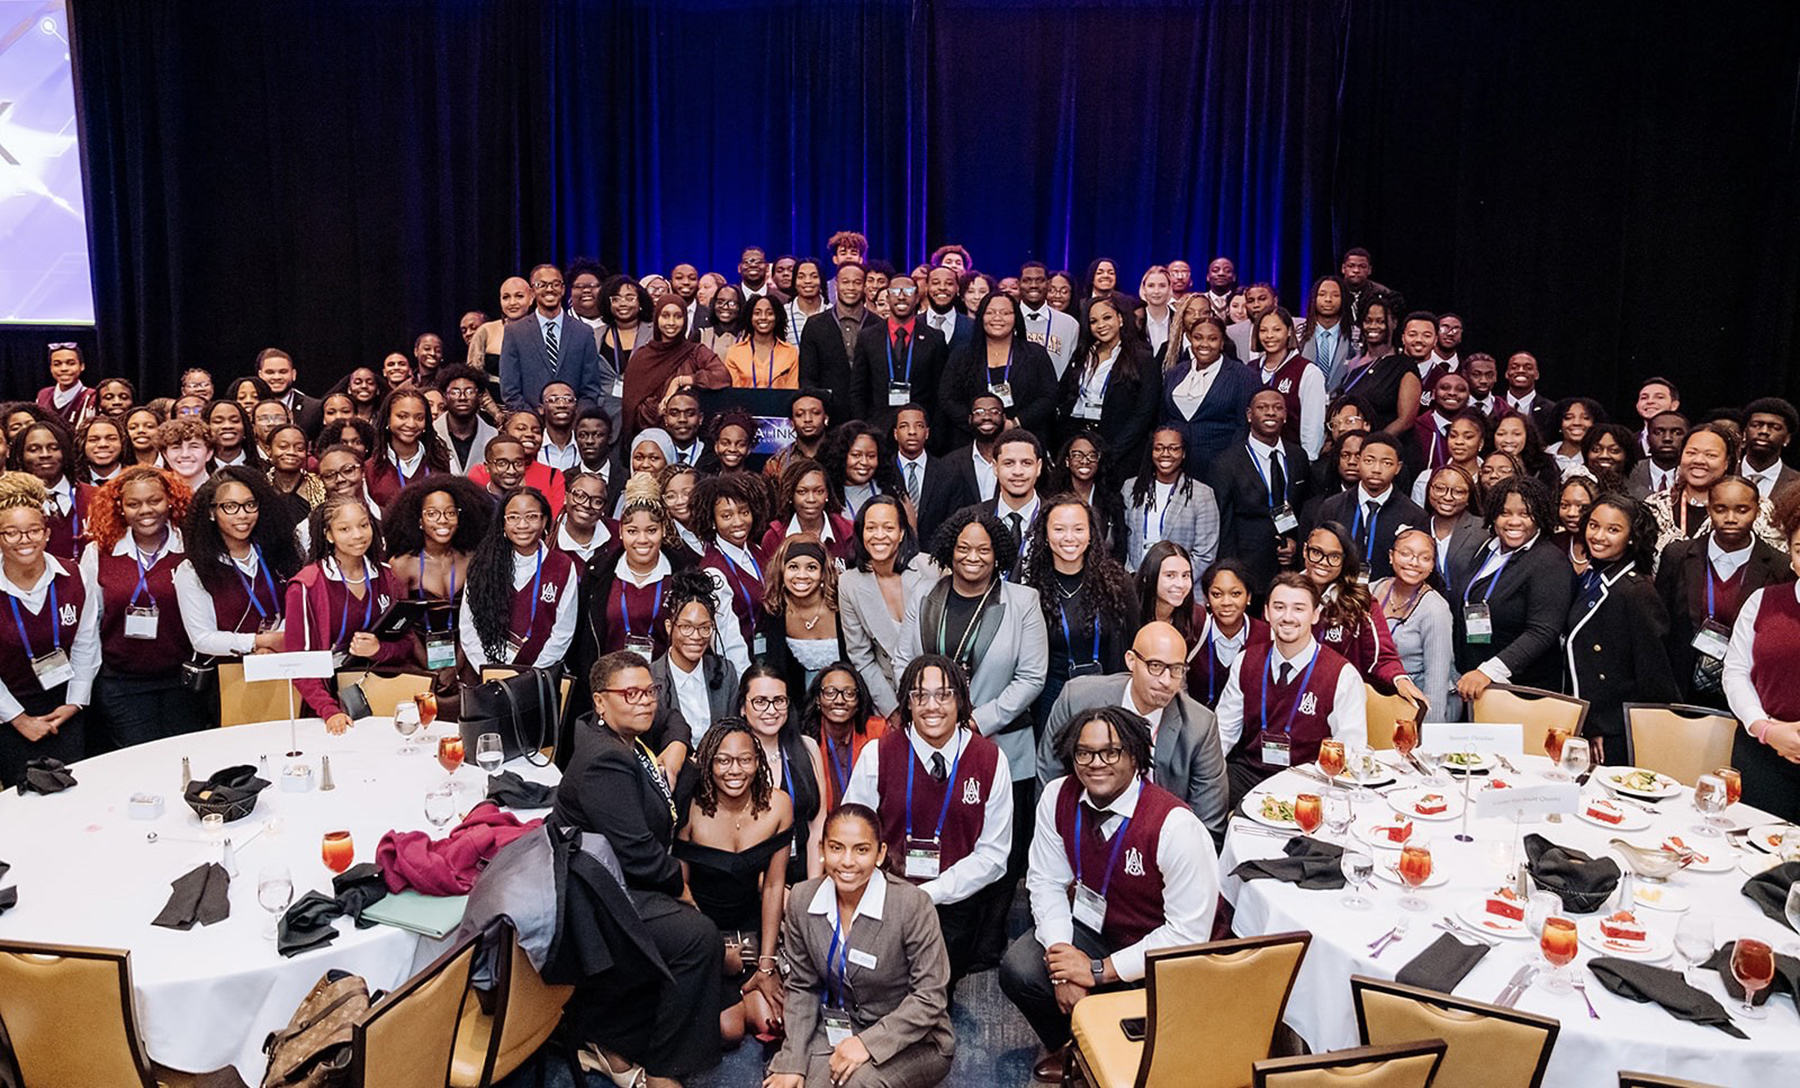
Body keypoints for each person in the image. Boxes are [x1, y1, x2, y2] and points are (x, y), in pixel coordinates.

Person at [1001, 707, 1217, 1081]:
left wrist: (1097, 972)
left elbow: (1186, 935)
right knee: (1020, 968)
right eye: (1084, 753)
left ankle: (1115, 1044)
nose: (1095, 764)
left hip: (1166, 957)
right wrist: (1063, 966)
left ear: (1135, 755)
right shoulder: (1057, 796)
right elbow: (1046, 882)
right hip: (1096, 930)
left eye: (1111, 752)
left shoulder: (1176, 827)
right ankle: (1075, 1047)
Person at [553, 651, 725, 1086]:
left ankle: (618, 1035)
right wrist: (679, 889)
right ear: (600, 702)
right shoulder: (603, 761)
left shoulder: (624, 732)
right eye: (630, 693)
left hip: (619, 877)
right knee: (698, 937)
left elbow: (676, 721)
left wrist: (675, 749)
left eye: (650, 690)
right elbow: (637, 854)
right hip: (597, 894)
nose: (645, 702)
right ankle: (664, 1069)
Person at [894, 507, 1047, 878]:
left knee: (999, 861)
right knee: (942, 848)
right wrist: (929, 717)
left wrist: (975, 722)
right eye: (963, 548)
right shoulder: (924, 597)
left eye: (984, 549)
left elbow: (1031, 677)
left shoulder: (1022, 601)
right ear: (949, 549)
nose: (973, 557)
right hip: (930, 745)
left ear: (998, 555)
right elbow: (904, 662)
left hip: (1002, 747)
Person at [841, 654, 1012, 988]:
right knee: (878, 991)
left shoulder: (990, 760)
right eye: (920, 695)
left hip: (955, 902)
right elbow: (853, 834)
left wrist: (931, 893)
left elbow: (994, 855)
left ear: (961, 701)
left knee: (934, 994)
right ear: (907, 701)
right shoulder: (877, 755)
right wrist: (885, 893)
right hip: (884, 897)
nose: (932, 706)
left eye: (944, 694)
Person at [764, 804, 955, 1088]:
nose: (847, 861)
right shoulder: (803, 900)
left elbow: (929, 999)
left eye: (861, 850)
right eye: (837, 848)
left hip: (915, 1039)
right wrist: (792, 1062)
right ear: (822, 849)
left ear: (879, 854)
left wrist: (867, 1043)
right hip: (836, 1028)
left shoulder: (912, 905)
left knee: (855, 1085)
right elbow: (802, 986)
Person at [1033, 620, 1229, 841]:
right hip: (1085, 831)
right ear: (1131, 661)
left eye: (1176, 670)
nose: (1166, 681)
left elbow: (1208, 823)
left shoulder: (1200, 726)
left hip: (1160, 843)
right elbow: (1049, 779)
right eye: (1155, 666)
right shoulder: (1077, 699)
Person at [674, 719, 793, 1044]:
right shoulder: (692, 808)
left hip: (752, 927)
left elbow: (772, 887)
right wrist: (714, 949)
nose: (734, 770)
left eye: (745, 760)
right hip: (700, 926)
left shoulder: (778, 805)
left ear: (758, 762)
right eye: (723, 760)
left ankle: (750, 987)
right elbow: (680, 891)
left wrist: (766, 965)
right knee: (730, 1032)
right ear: (709, 763)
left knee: (774, 1022)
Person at [1215, 573, 1368, 803]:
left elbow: (1349, 752)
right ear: (1266, 612)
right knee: (1204, 796)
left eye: (1298, 609)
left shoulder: (1342, 675)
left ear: (1315, 615)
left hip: (1308, 779)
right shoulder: (1246, 661)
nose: (1287, 617)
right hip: (1250, 773)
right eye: (1279, 607)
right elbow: (1223, 733)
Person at [79, 466, 203, 748]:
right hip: (122, 683)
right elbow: (91, 621)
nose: (145, 510)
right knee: (141, 760)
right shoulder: (99, 552)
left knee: (186, 757)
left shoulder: (191, 547)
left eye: (154, 500)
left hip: (182, 680)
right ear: (120, 508)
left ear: (171, 500)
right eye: (133, 504)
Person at [1655, 475, 1793, 710]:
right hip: (1680, 693)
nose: (1730, 519)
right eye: (1720, 509)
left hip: (1748, 697)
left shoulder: (1780, 567)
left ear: (1757, 511)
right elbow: (1659, 626)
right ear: (1709, 509)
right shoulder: (1677, 556)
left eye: (1741, 510)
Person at [0, 472, 98, 785]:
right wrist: (18, 719)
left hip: (65, 705)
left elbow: (86, 643)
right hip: (8, 712)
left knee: (75, 794)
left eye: (33, 531)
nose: (24, 540)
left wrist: (74, 702)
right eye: (11, 533)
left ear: (46, 533)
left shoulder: (75, 575)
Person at [1564, 494, 1677, 763]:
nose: (1599, 536)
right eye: (1594, 525)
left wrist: (1605, 727)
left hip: (1613, 732)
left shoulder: (1636, 591)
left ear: (1631, 537)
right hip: (1585, 721)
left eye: (1613, 530)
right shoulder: (1594, 576)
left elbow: (1653, 676)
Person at [283, 495, 408, 733]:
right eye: (344, 529)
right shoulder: (306, 586)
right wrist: (329, 710)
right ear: (328, 535)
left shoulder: (387, 577)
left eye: (364, 525)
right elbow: (299, 663)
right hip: (327, 700)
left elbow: (406, 644)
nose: (358, 535)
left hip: (378, 689)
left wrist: (379, 650)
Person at [1450, 476, 1574, 703]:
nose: (1513, 522)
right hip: (1474, 684)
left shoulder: (1550, 562)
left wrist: (1488, 671)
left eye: (1525, 514)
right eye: (1505, 513)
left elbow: (1542, 632)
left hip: (1522, 693)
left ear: (1539, 516)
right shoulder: (1487, 548)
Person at [1021, 496, 1135, 726]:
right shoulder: (1031, 587)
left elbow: (1132, 641)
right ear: (1045, 534)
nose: (1069, 537)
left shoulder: (1117, 583)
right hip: (1051, 698)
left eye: (1078, 529)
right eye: (1059, 529)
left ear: (1091, 533)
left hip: (1108, 693)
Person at [458, 486, 580, 674]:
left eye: (531, 516)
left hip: (539, 676)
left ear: (544, 520)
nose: (522, 525)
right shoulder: (483, 564)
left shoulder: (562, 566)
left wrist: (531, 676)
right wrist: (488, 671)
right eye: (513, 517)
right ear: (503, 523)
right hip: (486, 676)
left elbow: (563, 632)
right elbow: (468, 626)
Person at [839, 496, 938, 717]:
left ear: (902, 533)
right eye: (871, 527)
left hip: (938, 694)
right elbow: (861, 656)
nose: (879, 535)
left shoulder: (931, 568)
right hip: (890, 698)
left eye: (888, 527)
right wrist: (893, 710)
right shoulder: (849, 583)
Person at [383, 475, 488, 680]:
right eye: (432, 513)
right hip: (416, 662)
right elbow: (403, 626)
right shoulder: (403, 564)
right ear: (420, 520)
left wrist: (456, 667)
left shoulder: (472, 560)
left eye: (450, 513)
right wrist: (429, 670)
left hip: (467, 657)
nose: (442, 520)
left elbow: (477, 621)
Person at [1210, 389, 1312, 598]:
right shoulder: (1226, 463)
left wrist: (1295, 543)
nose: (1270, 413)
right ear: (1249, 415)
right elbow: (1223, 524)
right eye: (1262, 408)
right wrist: (1230, 570)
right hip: (1247, 568)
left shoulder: (1297, 456)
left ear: (1285, 415)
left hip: (1290, 567)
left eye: (1277, 408)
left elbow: (1304, 508)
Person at [738, 662, 826, 885]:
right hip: (750, 884)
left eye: (779, 701)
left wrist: (810, 891)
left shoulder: (807, 748)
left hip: (804, 877)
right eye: (760, 702)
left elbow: (817, 826)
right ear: (742, 707)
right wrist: (776, 894)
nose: (771, 710)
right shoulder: (732, 760)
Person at [940, 292, 1059, 449]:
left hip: (1025, 441)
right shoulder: (962, 355)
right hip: (970, 441)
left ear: (1016, 317)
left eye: (1005, 313)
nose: (997, 318)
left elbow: (1048, 396)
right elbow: (947, 397)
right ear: (981, 317)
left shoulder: (1035, 354)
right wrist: (978, 423)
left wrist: (1016, 423)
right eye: (990, 312)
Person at [1648, 422, 1783, 557]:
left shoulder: (1756, 507)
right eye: (1691, 453)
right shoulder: (1656, 506)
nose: (1699, 460)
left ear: (1727, 462)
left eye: (1711, 455)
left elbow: (1775, 561)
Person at [1306, 432, 1426, 582]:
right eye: (1369, 461)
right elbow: (1315, 554)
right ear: (1359, 461)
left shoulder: (1414, 515)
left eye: (1386, 463)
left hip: (1388, 598)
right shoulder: (1332, 507)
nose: (1376, 469)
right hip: (1336, 592)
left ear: (1398, 467)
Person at [1058, 296, 1158, 472]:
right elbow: (1065, 395)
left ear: (1120, 319)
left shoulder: (1142, 357)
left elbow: (1145, 412)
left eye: (1107, 318)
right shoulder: (1083, 354)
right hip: (1079, 438)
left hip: (1120, 446)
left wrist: (1114, 451)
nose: (1101, 325)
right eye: (1093, 321)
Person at [651, 569, 741, 752]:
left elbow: (734, 731)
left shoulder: (725, 672)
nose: (696, 636)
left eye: (704, 628)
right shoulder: (650, 678)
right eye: (686, 627)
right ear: (669, 627)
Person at [500, 263, 605, 415]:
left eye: (555, 284)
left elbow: (591, 387)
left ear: (563, 289)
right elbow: (510, 389)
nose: (549, 289)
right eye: (541, 284)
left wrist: (576, 416)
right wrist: (532, 418)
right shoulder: (515, 332)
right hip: (532, 424)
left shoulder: (583, 332)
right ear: (532, 291)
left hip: (573, 425)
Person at [1161, 311, 1258, 475]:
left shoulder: (1242, 375)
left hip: (1220, 464)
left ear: (1222, 343)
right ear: (1190, 339)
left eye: (1212, 339)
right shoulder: (1175, 373)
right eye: (1198, 337)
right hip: (1176, 464)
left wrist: (1230, 463)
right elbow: (1164, 417)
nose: (1204, 344)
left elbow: (1244, 427)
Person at [1373, 528, 1456, 718]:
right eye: (1405, 554)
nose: (1414, 562)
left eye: (1424, 558)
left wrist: (1428, 739)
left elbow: (1437, 682)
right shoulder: (1373, 591)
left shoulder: (1435, 609)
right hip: (1379, 698)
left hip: (1416, 706)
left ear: (1432, 565)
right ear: (1391, 556)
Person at [848, 274, 949, 428]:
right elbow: (858, 389)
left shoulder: (934, 338)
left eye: (908, 291)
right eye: (895, 291)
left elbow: (940, 392)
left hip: (921, 430)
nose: (901, 297)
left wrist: (935, 433)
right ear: (887, 298)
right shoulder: (867, 337)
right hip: (877, 429)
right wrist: (864, 428)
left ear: (917, 298)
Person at [625, 295, 730, 442]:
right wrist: (660, 410)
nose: (671, 322)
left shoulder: (695, 351)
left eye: (678, 316)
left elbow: (722, 376)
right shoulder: (642, 357)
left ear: (685, 320)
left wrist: (682, 380)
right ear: (656, 319)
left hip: (692, 437)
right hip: (653, 440)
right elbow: (632, 407)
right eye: (665, 316)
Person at [756, 536, 845, 696]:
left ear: (823, 573)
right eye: (793, 567)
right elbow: (775, 667)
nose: (801, 575)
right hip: (796, 703)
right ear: (781, 571)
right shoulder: (775, 610)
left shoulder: (841, 605)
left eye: (811, 567)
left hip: (846, 697)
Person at [696, 472, 773, 654]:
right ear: (713, 521)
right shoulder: (713, 571)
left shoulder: (757, 551)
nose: (738, 522)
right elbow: (726, 640)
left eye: (744, 512)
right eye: (726, 516)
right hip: (742, 667)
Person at [1181, 556, 1270, 710]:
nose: (1226, 602)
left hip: (1250, 730)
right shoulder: (1194, 632)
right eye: (1217, 594)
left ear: (1248, 597)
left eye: (1235, 594)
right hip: (1197, 726)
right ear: (1206, 598)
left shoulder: (1266, 636)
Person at [799, 261, 880, 424]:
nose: (851, 287)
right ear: (836, 285)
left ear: (864, 286)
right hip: (829, 416)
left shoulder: (878, 325)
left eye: (857, 282)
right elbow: (808, 378)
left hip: (870, 416)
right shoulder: (815, 325)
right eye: (845, 282)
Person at [804, 663, 886, 813]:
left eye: (849, 693)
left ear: (859, 701)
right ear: (817, 699)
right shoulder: (805, 740)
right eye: (830, 692)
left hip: (868, 824)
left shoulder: (878, 732)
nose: (840, 700)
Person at [1332, 297, 1420, 436]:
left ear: (1394, 323)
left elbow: (1405, 420)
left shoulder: (1404, 366)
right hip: (1351, 446)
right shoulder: (1354, 362)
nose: (1373, 326)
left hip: (1385, 448)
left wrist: (1373, 443)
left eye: (1381, 321)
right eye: (1368, 321)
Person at [10, 418, 91, 563]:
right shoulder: (9, 503)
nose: (45, 454)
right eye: (34, 449)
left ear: (65, 451)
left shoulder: (95, 497)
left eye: (54, 448)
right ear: (20, 456)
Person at [1251, 306, 1327, 458]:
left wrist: (1308, 459)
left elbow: (1312, 426)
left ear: (1289, 332)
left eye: (1276, 330)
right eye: (1263, 330)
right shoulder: (1250, 369)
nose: (1269, 336)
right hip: (1253, 458)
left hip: (1291, 458)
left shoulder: (1308, 372)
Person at [362, 388, 448, 515]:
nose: (411, 424)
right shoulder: (371, 468)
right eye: (402, 416)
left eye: (419, 418)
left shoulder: (440, 463)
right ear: (388, 419)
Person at [1045, 431, 1128, 560]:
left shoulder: (1112, 500)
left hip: (1105, 574)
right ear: (1067, 461)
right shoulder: (1053, 499)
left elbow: (1120, 548)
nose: (1085, 461)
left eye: (1092, 455)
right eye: (1077, 455)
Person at [759, 458, 854, 566]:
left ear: (827, 494)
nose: (811, 499)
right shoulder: (774, 537)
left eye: (819, 491)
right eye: (802, 492)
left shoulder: (848, 532)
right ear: (790, 495)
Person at [821, 422, 902, 521]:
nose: (864, 462)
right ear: (841, 456)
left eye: (871, 456)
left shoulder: (892, 492)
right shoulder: (827, 494)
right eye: (856, 455)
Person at [1017, 262, 1082, 379]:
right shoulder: (1006, 319)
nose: (1033, 285)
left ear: (1048, 284)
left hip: (1055, 394)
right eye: (1027, 280)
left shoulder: (1069, 324)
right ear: (1019, 284)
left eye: (1040, 280)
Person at [432, 364, 499, 475]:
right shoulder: (432, 433)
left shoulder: (493, 436)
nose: (462, 398)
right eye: (455, 392)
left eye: (469, 392)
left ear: (479, 396)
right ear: (445, 396)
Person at [723, 295, 799, 389]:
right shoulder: (735, 352)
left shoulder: (790, 352)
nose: (763, 317)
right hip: (743, 403)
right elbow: (734, 393)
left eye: (770, 313)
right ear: (750, 318)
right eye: (757, 313)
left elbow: (792, 390)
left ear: (777, 317)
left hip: (781, 403)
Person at [1296, 274, 1353, 389]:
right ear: (1313, 298)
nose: (1328, 299)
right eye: (1322, 294)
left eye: (1335, 295)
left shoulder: (1356, 335)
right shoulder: (1298, 334)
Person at [762, 389, 832, 482]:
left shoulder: (841, 456)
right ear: (792, 423)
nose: (807, 419)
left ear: (825, 418)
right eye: (800, 414)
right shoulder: (777, 463)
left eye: (815, 413)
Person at [1739, 397, 1800, 503]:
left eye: (1775, 427)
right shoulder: (1722, 475)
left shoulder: (1797, 484)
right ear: (1744, 433)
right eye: (1756, 425)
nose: (1764, 431)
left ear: (1787, 438)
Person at [1629, 410, 1688, 498]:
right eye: (1658, 432)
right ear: (1648, 439)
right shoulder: (1629, 473)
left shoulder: (1696, 474)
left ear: (1688, 439)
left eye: (1677, 433)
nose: (1667, 438)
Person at [37, 343, 96, 430]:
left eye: (71, 363)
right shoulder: (43, 395)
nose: (64, 368)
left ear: (82, 366)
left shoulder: (91, 396)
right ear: (51, 368)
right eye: (57, 364)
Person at [203, 399, 263, 472]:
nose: (227, 426)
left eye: (235, 421)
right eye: (218, 421)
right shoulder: (196, 469)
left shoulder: (265, 470)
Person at [77, 417, 125, 485]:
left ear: (122, 443)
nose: (103, 444)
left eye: (111, 439)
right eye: (93, 440)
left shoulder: (135, 478)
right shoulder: (73, 481)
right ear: (83, 444)